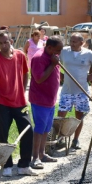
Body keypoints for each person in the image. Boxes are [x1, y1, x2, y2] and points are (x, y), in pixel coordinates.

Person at [0, 30, 38, 177]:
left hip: (20, 103)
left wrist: (22, 91)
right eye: (0, 43)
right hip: (3, 103)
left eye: (6, 42)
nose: (3, 45)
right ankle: (7, 165)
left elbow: (26, 73)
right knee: (3, 135)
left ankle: (24, 165)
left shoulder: (20, 55)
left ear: (11, 41)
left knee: (28, 131)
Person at [57, 32, 92, 150]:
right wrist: (60, 76)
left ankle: (75, 140)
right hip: (67, 91)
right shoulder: (64, 51)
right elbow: (54, 62)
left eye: (74, 41)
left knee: (79, 116)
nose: (72, 43)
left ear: (81, 42)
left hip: (82, 91)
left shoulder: (88, 54)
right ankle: (60, 139)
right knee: (61, 116)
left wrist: (91, 76)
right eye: (71, 41)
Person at [28, 36, 63, 169]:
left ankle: (42, 154)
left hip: (50, 100)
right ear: (49, 48)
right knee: (39, 128)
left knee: (46, 129)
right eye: (57, 50)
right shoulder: (39, 58)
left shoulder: (53, 56)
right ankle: (35, 157)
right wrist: (53, 64)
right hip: (40, 100)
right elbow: (39, 79)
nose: (59, 53)